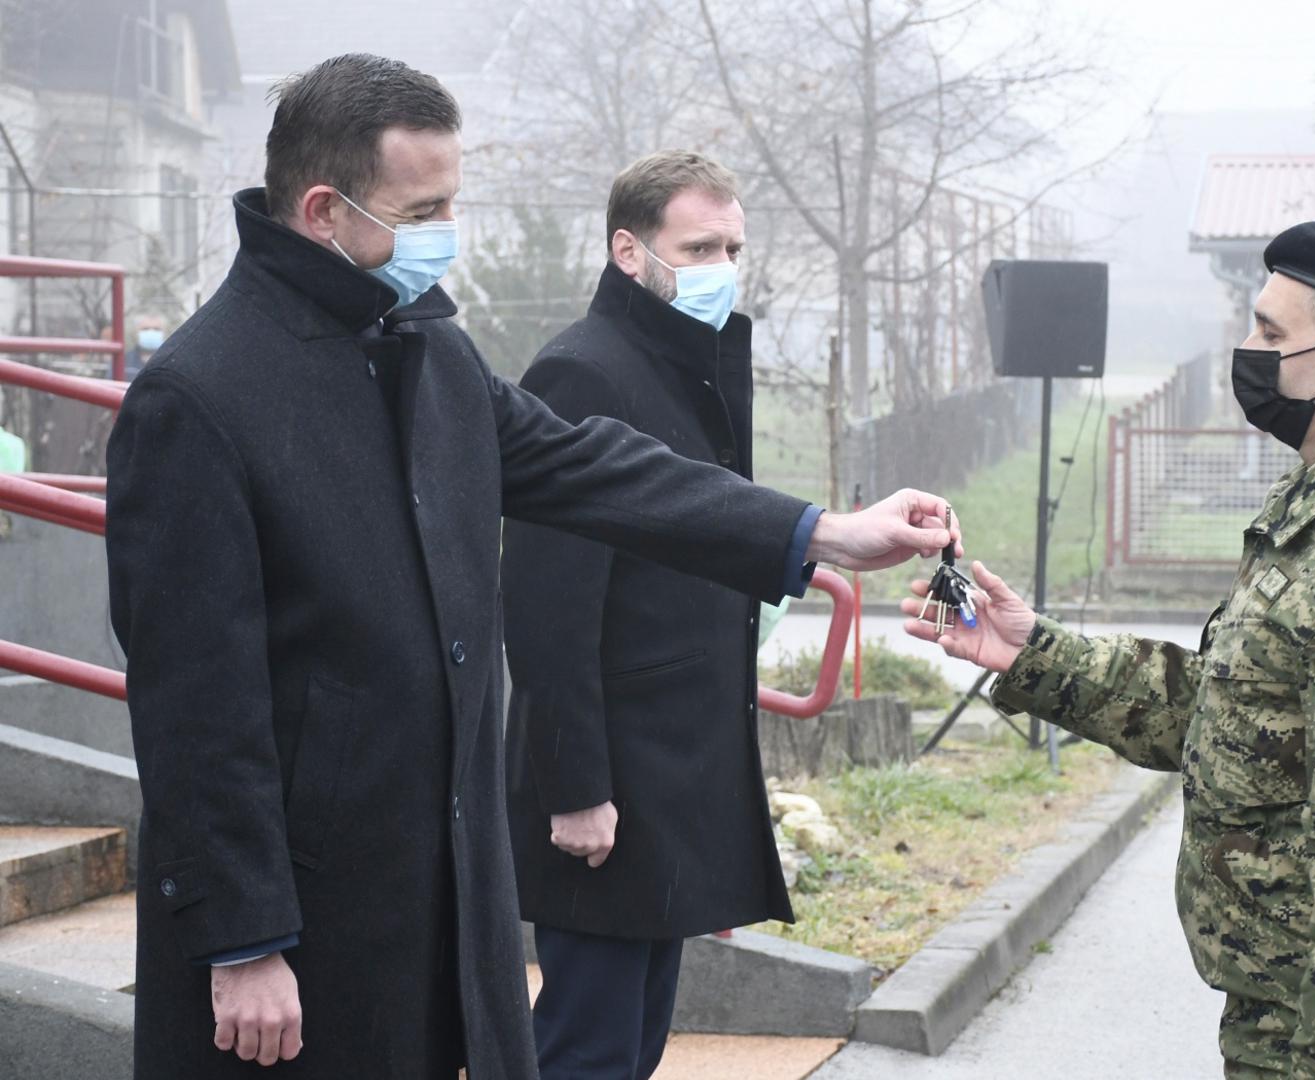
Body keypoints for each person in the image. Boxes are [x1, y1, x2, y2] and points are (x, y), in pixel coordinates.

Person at [105, 53, 959, 1080]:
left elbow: (597, 466)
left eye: (450, 202)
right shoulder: (199, 398)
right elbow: (198, 708)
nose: (444, 234)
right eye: (422, 209)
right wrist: (243, 939)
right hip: (307, 919)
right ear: (325, 209)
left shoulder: (426, 350)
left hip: (443, 894)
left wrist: (820, 532)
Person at [905, 220, 1315, 1077]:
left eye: (1270, 333)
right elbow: (1234, 720)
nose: (1247, 350)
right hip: (1283, 1003)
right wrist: (1029, 655)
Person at [501, 150, 788, 1080]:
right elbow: (546, 609)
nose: (722, 267)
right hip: (610, 783)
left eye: (733, 246)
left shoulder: (681, 367)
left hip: (671, 774)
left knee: (633, 1048)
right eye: (699, 246)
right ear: (629, 251)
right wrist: (574, 787)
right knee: (588, 1051)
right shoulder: (584, 373)